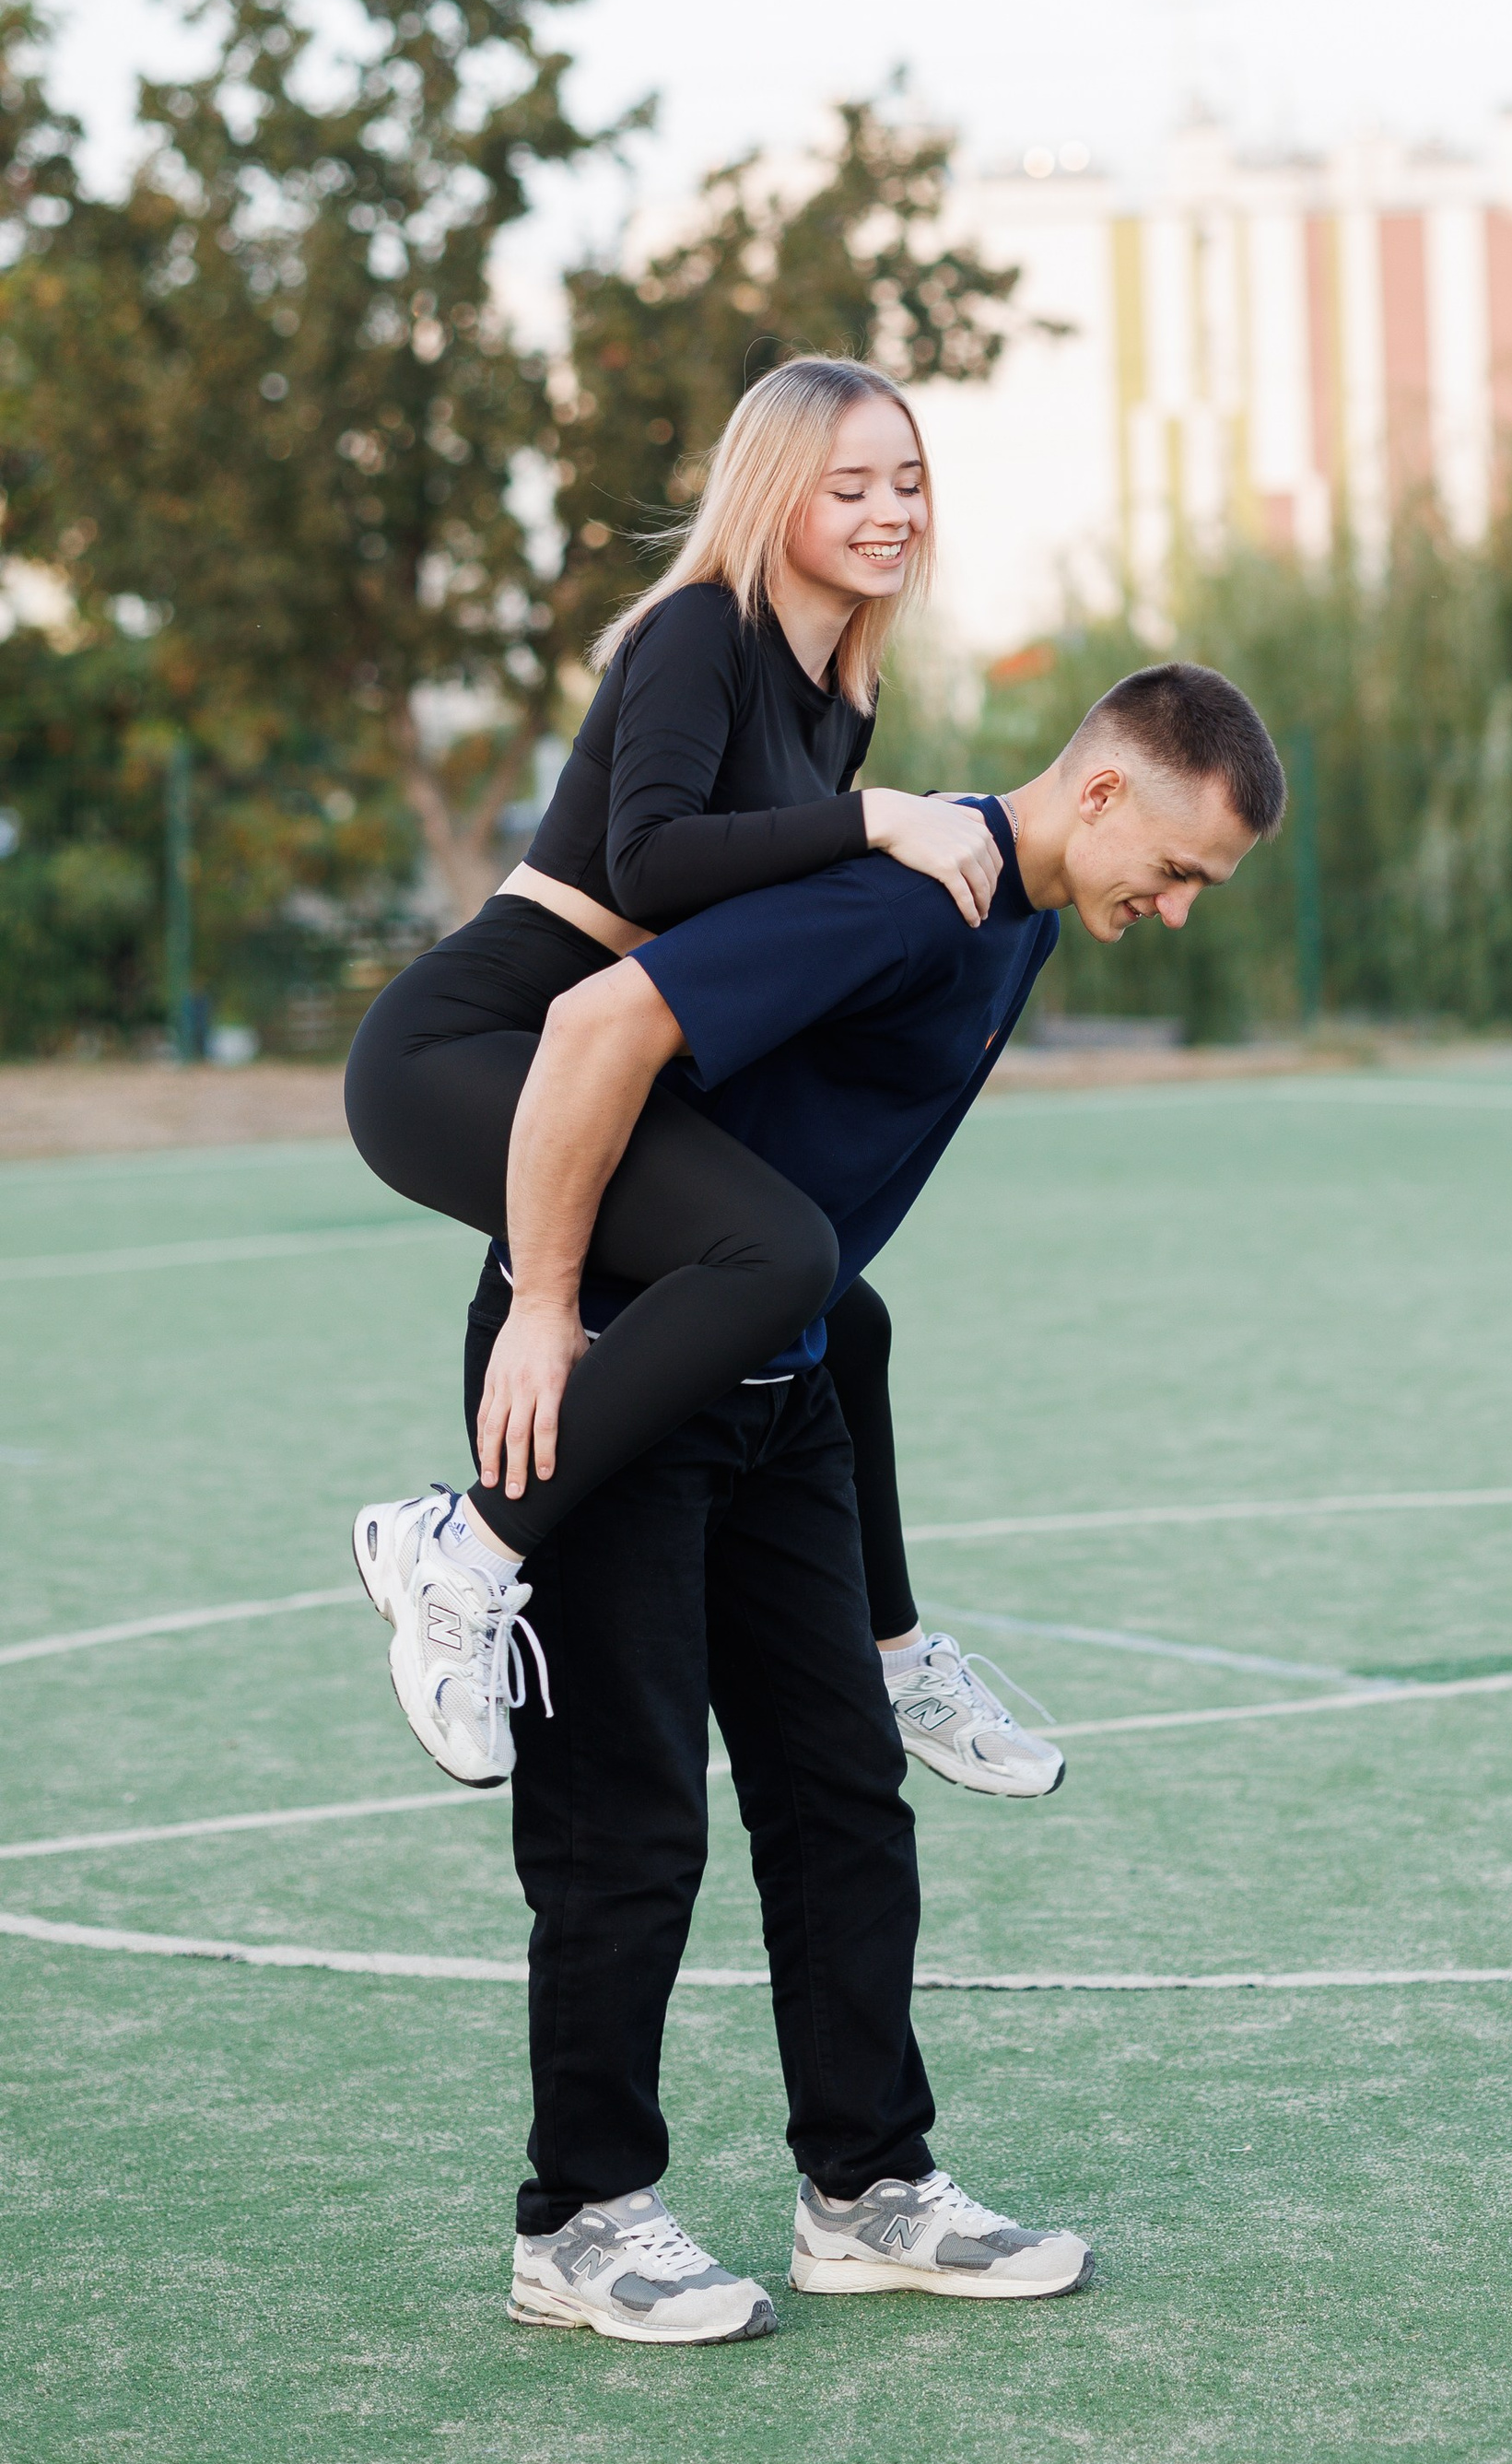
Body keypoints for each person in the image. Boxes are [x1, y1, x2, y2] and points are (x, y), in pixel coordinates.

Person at [400, 666, 1284, 2339]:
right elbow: (595, 1030)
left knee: (840, 1800)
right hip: (610, 1374)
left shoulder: (1019, 919)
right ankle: (578, 2218)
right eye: (1176, 871)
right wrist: (543, 1302)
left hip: (779, 1378)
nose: (1174, 910)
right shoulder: (907, 895)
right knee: (626, 1820)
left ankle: (866, 2188)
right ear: (1102, 792)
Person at [344, 354, 1060, 1797]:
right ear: (776, 493)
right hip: (470, 1047)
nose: (891, 512)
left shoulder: (840, 690)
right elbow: (652, 861)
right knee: (780, 1250)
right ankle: (459, 1549)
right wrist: (878, 818)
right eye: (850, 486)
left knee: (837, 1311)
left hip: (610, 1061)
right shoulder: (701, 631)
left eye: (908, 482)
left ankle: (896, 1660)